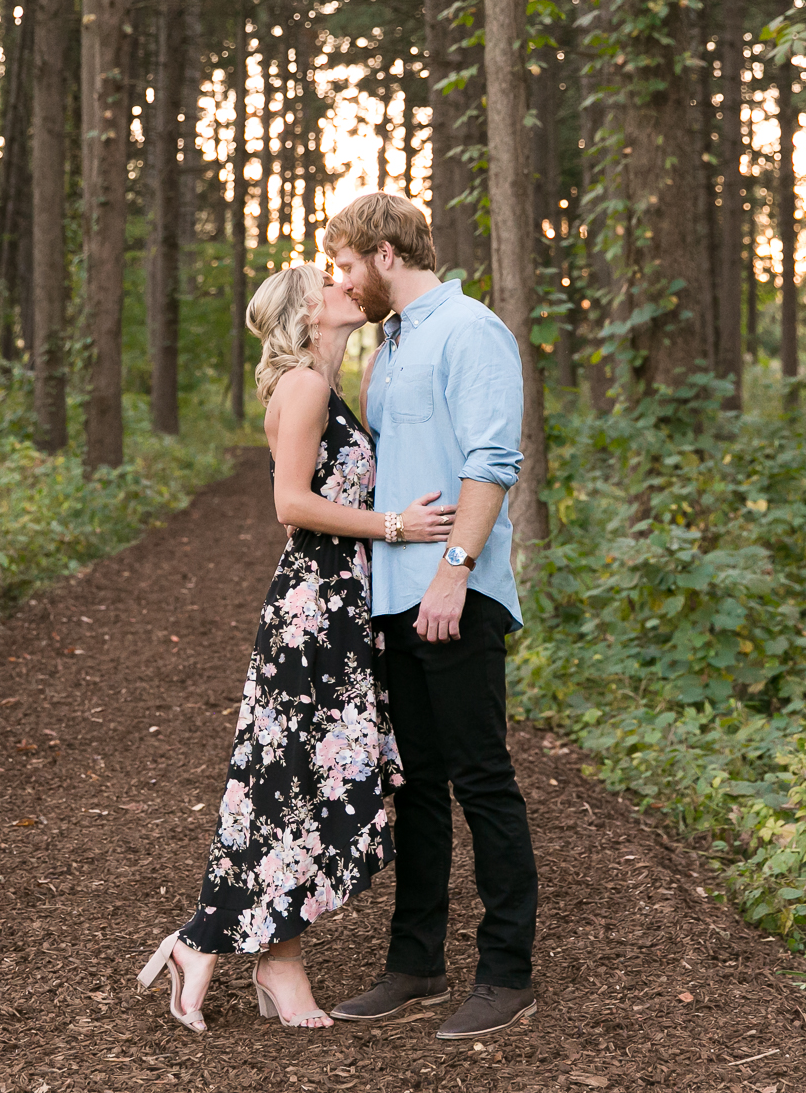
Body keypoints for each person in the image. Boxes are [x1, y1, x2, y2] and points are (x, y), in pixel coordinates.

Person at [137, 263, 457, 1032]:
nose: (350, 285)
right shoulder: (306, 388)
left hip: (330, 603)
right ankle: (236, 948)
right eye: (331, 282)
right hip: (315, 606)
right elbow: (288, 504)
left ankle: (234, 948)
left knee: (288, 781)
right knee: (292, 782)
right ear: (307, 312)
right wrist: (396, 528)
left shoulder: (321, 383)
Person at [322, 193, 541, 1041]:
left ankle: (507, 973)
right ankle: (415, 964)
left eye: (345, 264)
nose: (340, 278)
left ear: (383, 251)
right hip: (392, 596)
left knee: (482, 779)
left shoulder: (469, 328)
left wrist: (453, 573)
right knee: (415, 787)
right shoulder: (395, 340)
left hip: (454, 592)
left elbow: (493, 459)